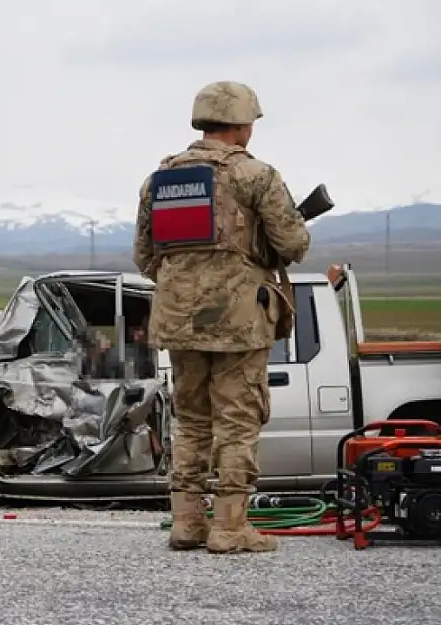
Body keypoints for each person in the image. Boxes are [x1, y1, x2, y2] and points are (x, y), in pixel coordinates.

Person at [132, 81, 311, 554]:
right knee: (237, 420)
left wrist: (189, 281)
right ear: (241, 124)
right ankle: (230, 528)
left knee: (189, 420)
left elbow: (145, 257)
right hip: (237, 321)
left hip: (177, 319)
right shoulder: (256, 175)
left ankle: (187, 523)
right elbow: (293, 245)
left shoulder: (161, 179)